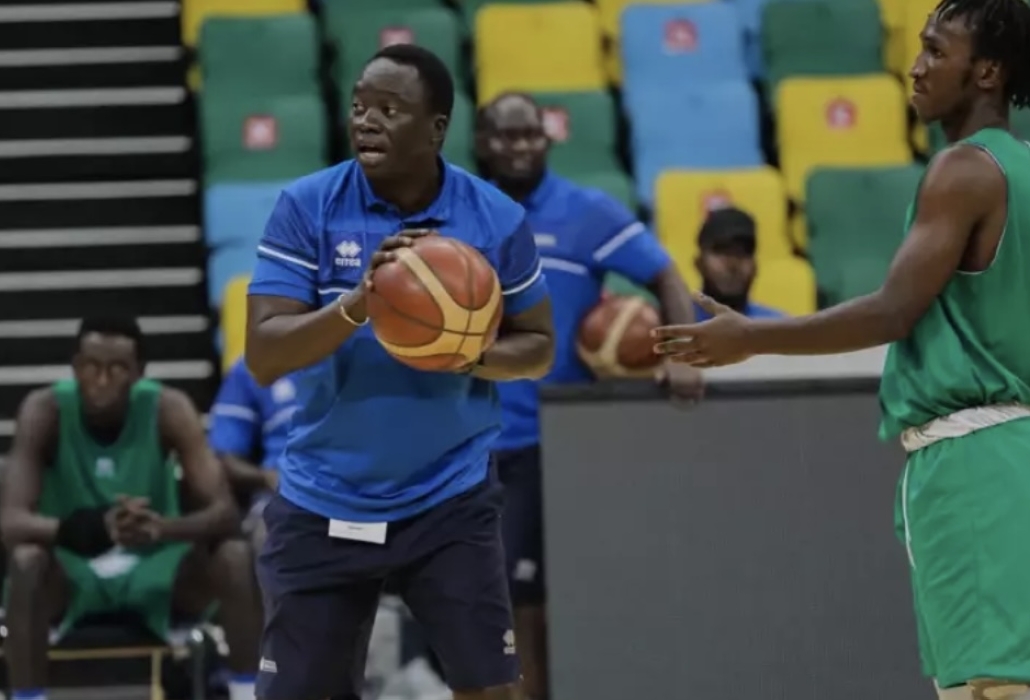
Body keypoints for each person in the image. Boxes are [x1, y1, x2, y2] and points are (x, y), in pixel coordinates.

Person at [653, 1, 1030, 698]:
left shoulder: (962, 171)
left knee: (994, 689)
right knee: (989, 684)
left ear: (988, 72)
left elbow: (893, 310)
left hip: (971, 456)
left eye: (938, 52)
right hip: (1015, 456)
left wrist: (749, 337)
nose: (916, 67)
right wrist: (1023, 459)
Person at [244, 44, 553, 700]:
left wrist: (467, 351)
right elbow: (265, 354)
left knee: (493, 692)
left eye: (389, 109)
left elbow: (539, 348)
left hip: (448, 495)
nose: (367, 121)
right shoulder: (307, 207)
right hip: (325, 495)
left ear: (437, 128)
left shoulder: (494, 219)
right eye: (359, 107)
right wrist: (359, 304)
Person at [474, 91, 704, 700]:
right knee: (495, 603)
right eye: (505, 135)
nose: (520, 146)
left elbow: (664, 274)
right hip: (471, 439)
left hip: (555, 443)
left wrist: (679, 353)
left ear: (548, 142)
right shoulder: (461, 215)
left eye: (531, 135)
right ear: (481, 144)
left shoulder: (587, 212)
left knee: (547, 599)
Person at [0, 317, 262, 700]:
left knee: (235, 556)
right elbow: (11, 522)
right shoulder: (45, 411)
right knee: (25, 562)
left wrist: (162, 529)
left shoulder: (169, 408)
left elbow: (223, 513)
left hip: (155, 566)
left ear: (140, 373)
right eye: (91, 367)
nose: (102, 380)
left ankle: (248, 692)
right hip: (74, 570)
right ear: (74, 367)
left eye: (117, 368)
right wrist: (90, 529)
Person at [207, 356, 298, 552]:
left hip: (360, 490)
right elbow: (224, 457)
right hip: (283, 494)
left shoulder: (367, 352)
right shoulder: (250, 367)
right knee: (273, 532)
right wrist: (267, 477)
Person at [694, 206, 787, 322]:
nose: (733, 264)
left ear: (755, 266)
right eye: (722, 252)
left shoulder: (775, 327)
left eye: (743, 253)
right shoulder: (675, 323)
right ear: (699, 263)